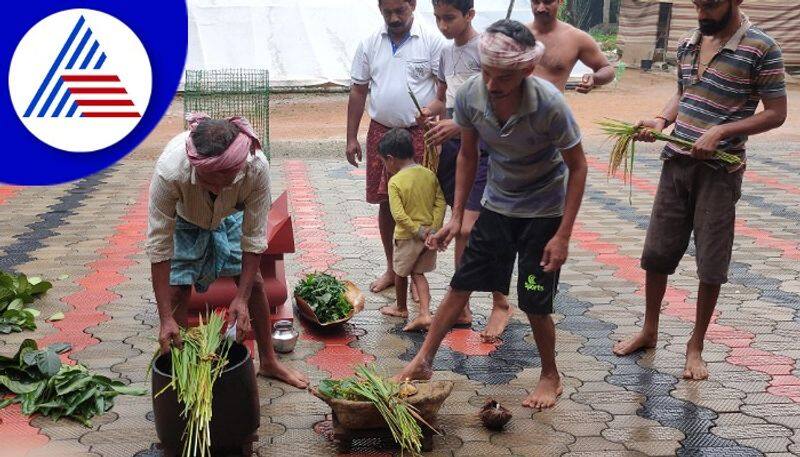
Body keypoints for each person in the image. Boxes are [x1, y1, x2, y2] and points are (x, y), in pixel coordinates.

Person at [397, 20, 588, 410]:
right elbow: (469, 154)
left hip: (543, 213)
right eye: (487, 73)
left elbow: (579, 166)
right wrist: (456, 215)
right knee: (461, 281)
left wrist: (563, 235)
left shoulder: (551, 104)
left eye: (504, 77)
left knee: (535, 300)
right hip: (498, 206)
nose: (493, 84)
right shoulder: (470, 95)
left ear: (526, 71)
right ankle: (423, 361)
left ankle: (550, 374)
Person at [613, 0, 787, 381]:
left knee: (711, 261)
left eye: (710, 5)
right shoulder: (689, 43)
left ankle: (696, 344)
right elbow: (684, 93)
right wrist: (661, 118)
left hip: (719, 173)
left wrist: (724, 131)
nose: (702, 13)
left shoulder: (762, 48)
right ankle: (649, 329)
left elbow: (777, 112)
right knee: (656, 252)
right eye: (697, 5)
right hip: (676, 163)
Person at [147, 114, 309, 389]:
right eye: (209, 179)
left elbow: (254, 238)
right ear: (196, 165)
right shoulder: (170, 170)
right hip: (186, 217)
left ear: (237, 164)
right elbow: (159, 246)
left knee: (254, 284)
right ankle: (179, 363)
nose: (218, 187)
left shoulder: (256, 167)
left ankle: (269, 362)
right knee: (178, 289)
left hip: (231, 215)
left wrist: (241, 299)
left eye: (226, 179)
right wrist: (164, 318)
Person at [417, 0, 513, 341]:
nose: (443, 26)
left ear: (470, 15)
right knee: (462, 228)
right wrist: (432, 111)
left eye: (450, 18)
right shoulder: (445, 53)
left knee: (474, 227)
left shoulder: (486, 49)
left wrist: (457, 124)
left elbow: (494, 104)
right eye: (438, 18)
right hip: (458, 148)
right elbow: (445, 97)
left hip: (488, 146)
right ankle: (465, 305)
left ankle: (500, 302)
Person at [346, 0, 445, 296]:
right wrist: (351, 137)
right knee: (388, 202)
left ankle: (416, 274)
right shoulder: (369, 43)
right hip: (382, 134)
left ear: (413, 4)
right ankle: (393, 269)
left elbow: (444, 89)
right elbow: (358, 90)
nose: (394, 17)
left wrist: (439, 134)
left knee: (419, 205)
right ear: (379, 7)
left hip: (420, 135)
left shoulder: (432, 41)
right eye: (387, 11)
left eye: (400, 10)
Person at [377, 128, 446, 331]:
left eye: (383, 162)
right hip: (429, 238)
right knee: (418, 274)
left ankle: (401, 308)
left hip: (407, 237)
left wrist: (417, 231)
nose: (385, 166)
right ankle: (425, 313)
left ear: (390, 159)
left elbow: (398, 215)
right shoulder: (429, 175)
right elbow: (440, 202)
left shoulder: (395, 181)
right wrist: (434, 230)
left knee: (400, 273)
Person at [526, 0, 615, 92]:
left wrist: (594, 78)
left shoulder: (576, 38)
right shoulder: (518, 36)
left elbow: (607, 69)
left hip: (553, 105)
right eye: (536, 2)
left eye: (547, 2)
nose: (540, 9)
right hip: (518, 106)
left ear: (560, 1)